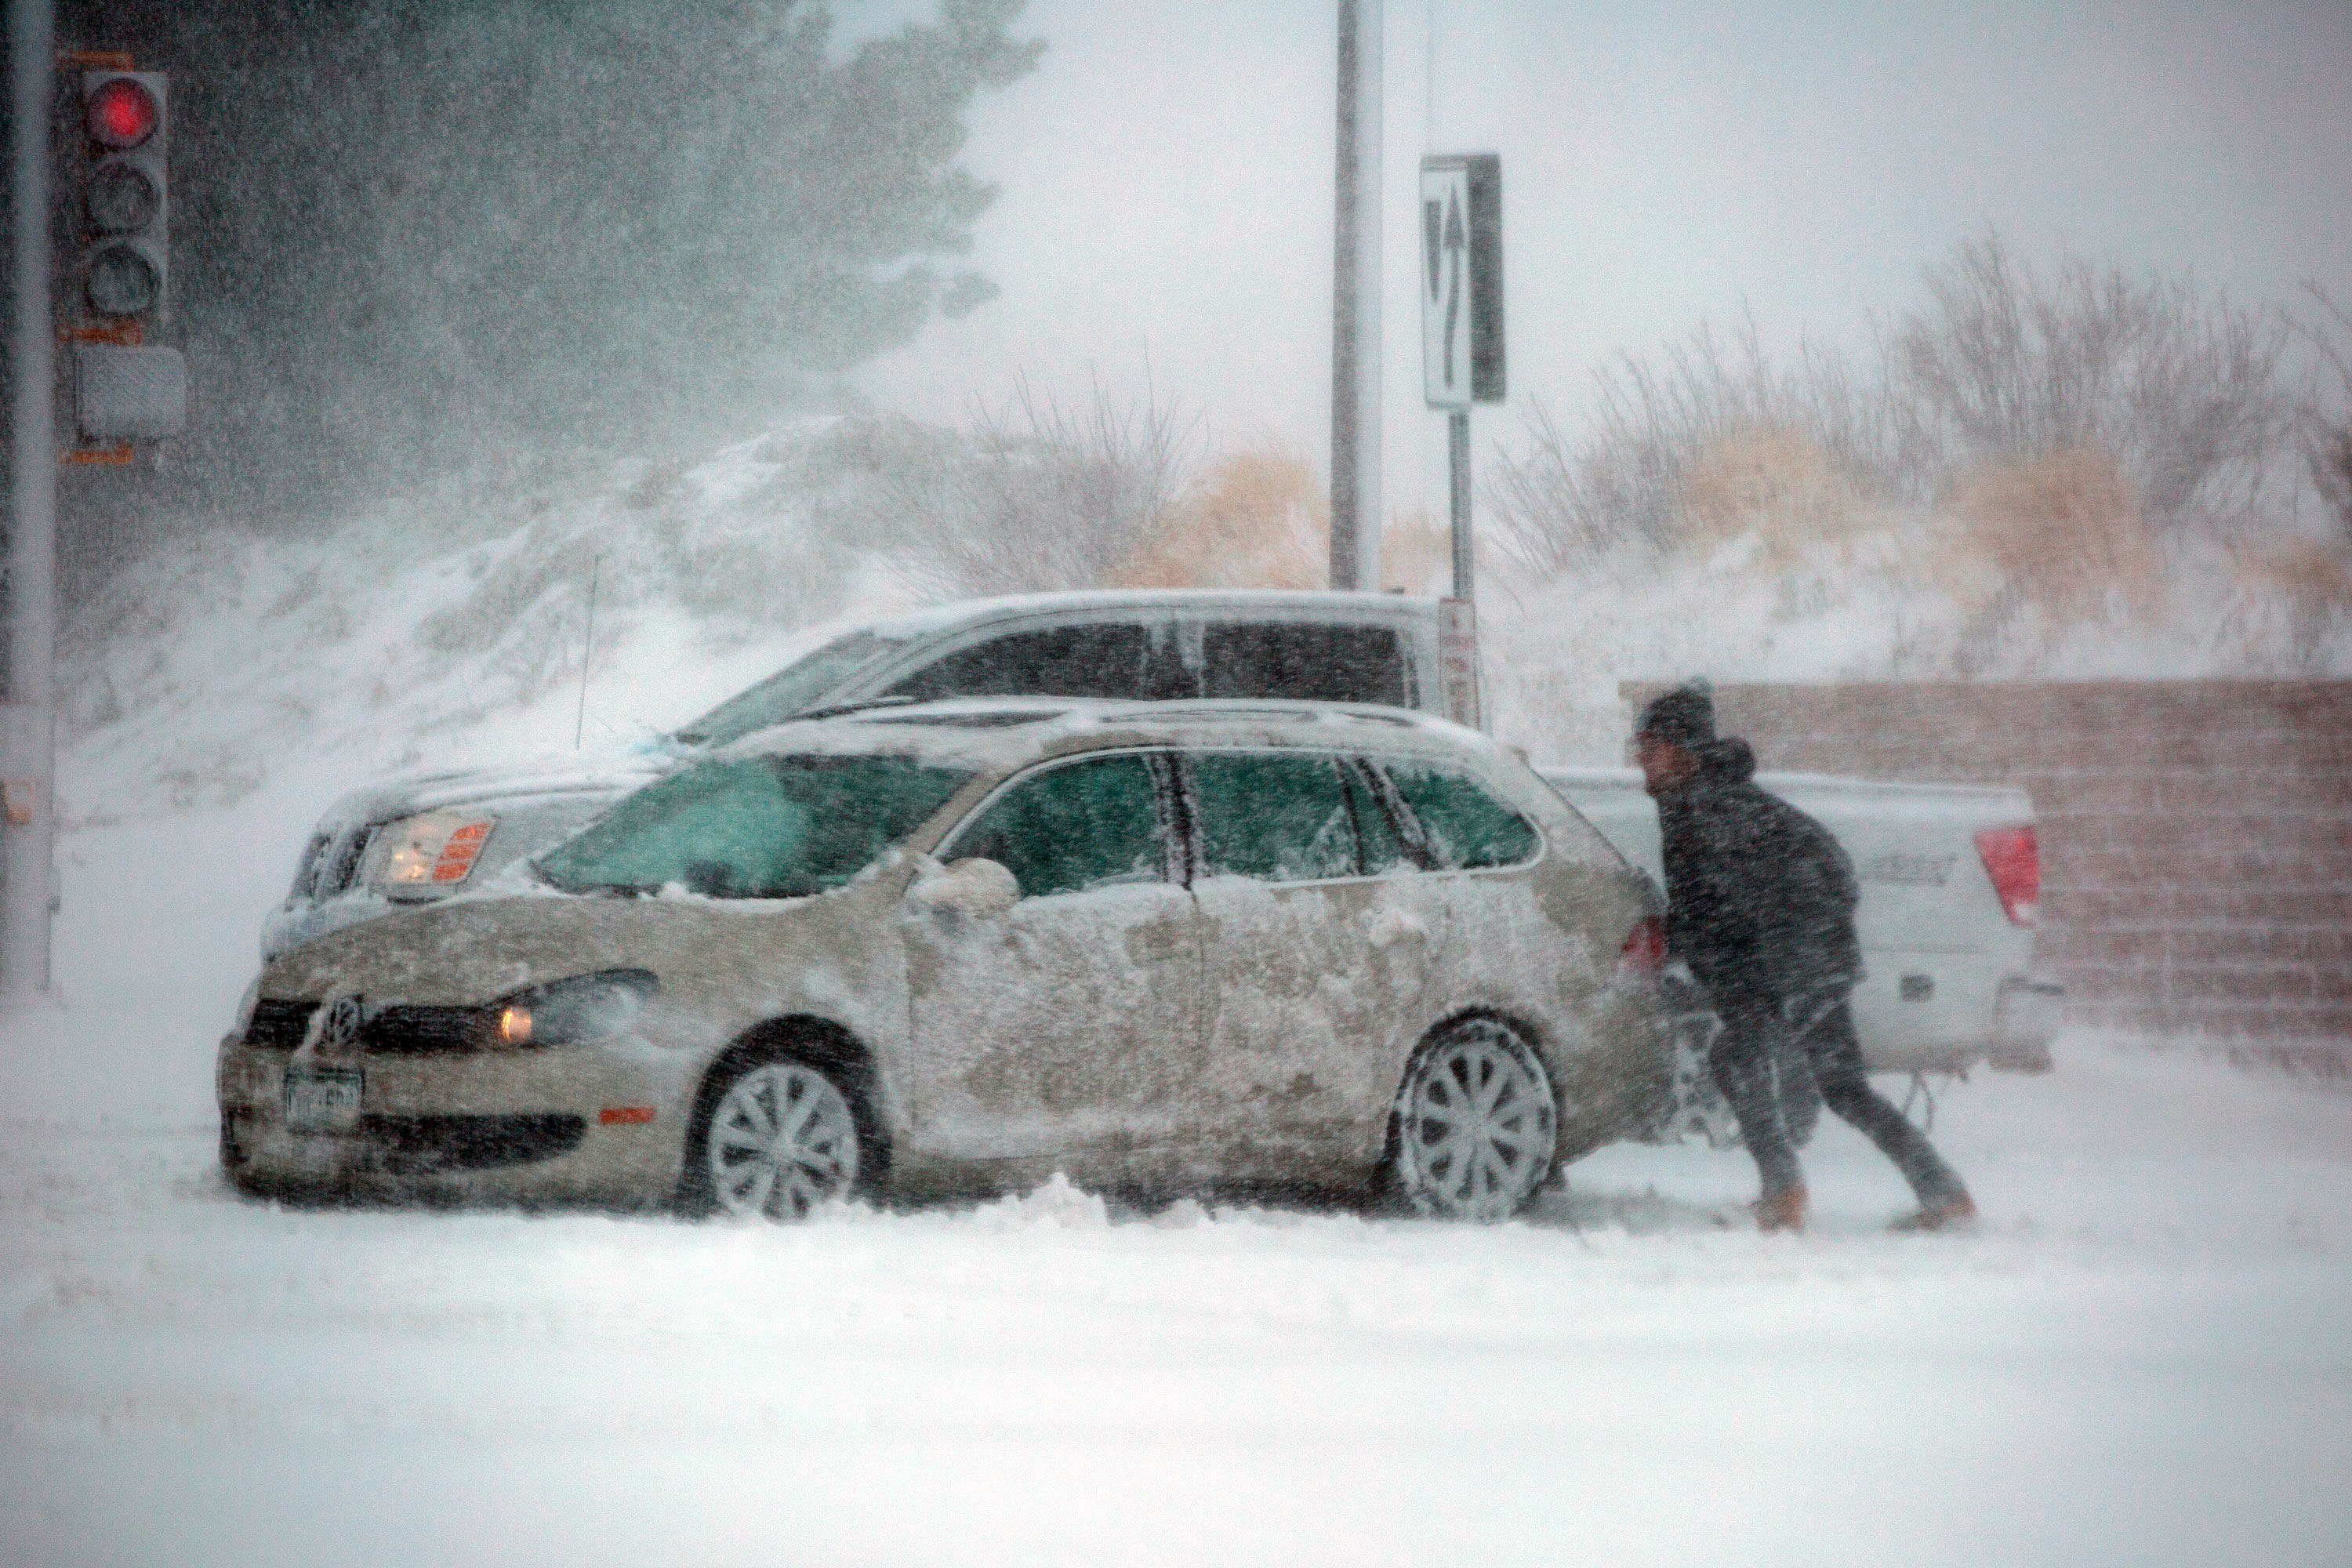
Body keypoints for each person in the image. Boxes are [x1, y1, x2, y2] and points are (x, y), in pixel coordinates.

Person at [1634, 683, 1976, 1234]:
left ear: (1683, 749)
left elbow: (1720, 910)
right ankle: (1943, 1192)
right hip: (1808, 961)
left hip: (1792, 966)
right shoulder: (1706, 801)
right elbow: (1753, 894)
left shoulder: (1709, 808)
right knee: (1842, 1088)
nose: (1641, 761)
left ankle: (1783, 1193)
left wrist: (1683, 946)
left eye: (1651, 746)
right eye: (1639, 747)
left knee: (1736, 1058)